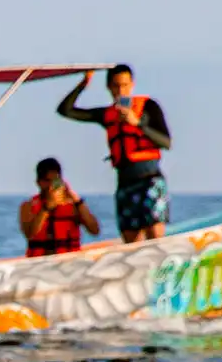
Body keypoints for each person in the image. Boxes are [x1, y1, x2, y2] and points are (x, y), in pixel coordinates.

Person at [57, 64, 171, 242]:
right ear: (109, 87)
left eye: (125, 85)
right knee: (131, 242)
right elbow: (65, 110)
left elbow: (166, 142)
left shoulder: (148, 107)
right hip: (125, 185)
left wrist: (138, 123)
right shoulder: (106, 114)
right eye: (116, 86)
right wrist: (83, 84)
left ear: (132, 84)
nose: (121, 90)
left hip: (150, 181)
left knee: (154, 236)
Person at [19, 158, 100, 257]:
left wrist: (77, 201)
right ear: (38, 182)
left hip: (69, 262)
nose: (50, 186)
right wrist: (46, 208)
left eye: (55, 181)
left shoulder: (74, 206)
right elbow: (30, 234)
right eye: (47, 181)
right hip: (39, 264)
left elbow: (95, 230)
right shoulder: (28, 206)